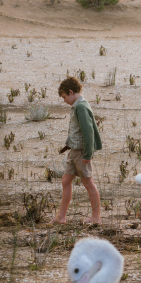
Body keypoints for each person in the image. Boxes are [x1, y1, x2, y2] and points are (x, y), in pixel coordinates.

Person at [50, 77, 102, 225]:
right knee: (66, 180)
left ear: (71, 92)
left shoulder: (81, 107)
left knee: (88, 183)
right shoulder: (77, 106)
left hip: (81, 152)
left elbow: (88, 131)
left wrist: (87, 154)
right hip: (73, 151)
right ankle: (61, 217)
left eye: (64, 97)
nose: (64, 100)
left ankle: (96, 217)